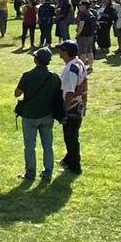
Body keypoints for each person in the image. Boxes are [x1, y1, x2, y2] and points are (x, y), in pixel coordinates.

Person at [14, 48, 58, 182]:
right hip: (47, 115)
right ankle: (48, 172)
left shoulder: (27, 75)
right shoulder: (54, 77)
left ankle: (30, 173)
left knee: (29, 146)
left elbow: (17, 93)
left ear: (36, 60)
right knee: (47, 145)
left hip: (29, 115)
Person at [56, 41, 88, 175]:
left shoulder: (70, 70)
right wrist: (85, 104)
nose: (59, 52)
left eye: (61, 50)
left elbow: (69, 92)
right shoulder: (79, 63)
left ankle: (75, 166)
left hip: (72, 107)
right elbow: (85, 85)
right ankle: (68, 159)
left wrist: (64, 110)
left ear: (66, 52)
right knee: (71, 135)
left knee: (70, 137)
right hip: (78, 105)